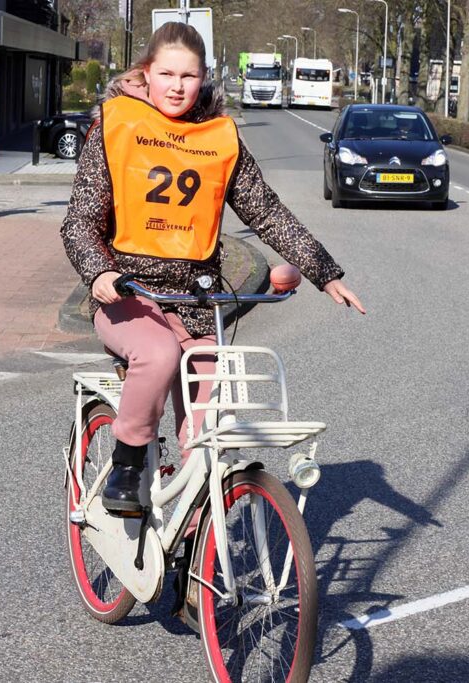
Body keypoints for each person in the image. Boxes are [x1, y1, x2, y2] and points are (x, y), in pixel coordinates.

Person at [60, 22, 365, 516]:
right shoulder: (117, 126)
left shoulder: (220, 138)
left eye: (189, 75)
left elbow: (265, 210)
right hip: (128, 294)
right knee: (158, 356)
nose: (177, 86)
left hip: (199, 302)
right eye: (166, 73)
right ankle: (127, 461)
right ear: (145, 73)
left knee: (208, 424)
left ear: (204, 78)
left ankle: (195, 536)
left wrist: (323, 271)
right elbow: (79, 221)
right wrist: (99, 273)